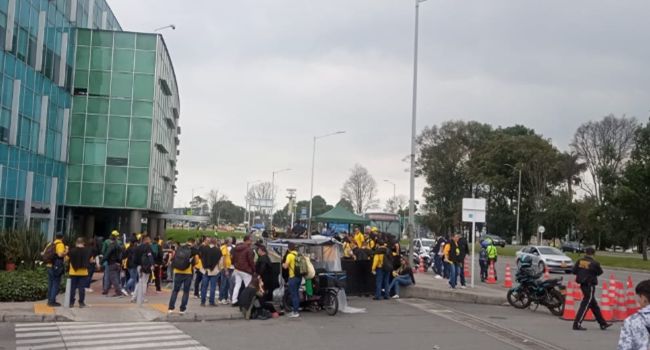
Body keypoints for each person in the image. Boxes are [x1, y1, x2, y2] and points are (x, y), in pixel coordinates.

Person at [572, 247, 612, 331]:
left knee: (594, 305)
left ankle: (602, 323)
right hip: (590, 285)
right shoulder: (595, 263)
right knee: (586, 304)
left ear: (585, 253)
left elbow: (574, 271)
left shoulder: (580, 261)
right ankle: (577, 324)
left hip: (582, 284)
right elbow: (600, 272)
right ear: (593, 254)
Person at [168, 239, 201, 314]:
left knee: (175, 291)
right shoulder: (194, 250)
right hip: (188, 273)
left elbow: (174, 258)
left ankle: (170, 308)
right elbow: (197, 261)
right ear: (193, 243)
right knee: (186, 292)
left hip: (177, 271)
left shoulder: (179, 248)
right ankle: (182, 309)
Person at [618, 279, 650, 350]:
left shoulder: (631, 321)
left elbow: (624, 347)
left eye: (639, 297)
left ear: (644, 298)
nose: (638, 300)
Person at [231, 235, 255, 306]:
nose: (251, 242)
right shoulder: (248, 249)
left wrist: (235, 264)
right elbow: (251, 261)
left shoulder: (236, 248)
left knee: (237, 285)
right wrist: (254, 270)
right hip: (246, 270)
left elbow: (232, 258)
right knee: (248, 286)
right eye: (250, 240)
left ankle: (234, 300)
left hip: (237, 269)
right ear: (247, 240)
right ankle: (247, 302)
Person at [68, 238, 92, 308]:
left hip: (73, 272)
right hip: (83, 272)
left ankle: (71, 303)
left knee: (72, 288)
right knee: (81, 288)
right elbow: (91, 260)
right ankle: (81, 303)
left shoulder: (71, 251)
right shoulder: (88, 251)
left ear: (76, 243)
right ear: (83, 243)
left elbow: (66, 259)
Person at [44, 233, 67, 307]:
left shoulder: (50, 244)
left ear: (55, 237)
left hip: (49, 265)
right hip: (56, 266)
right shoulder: (60, 244)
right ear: (62, 237)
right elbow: (60, 255)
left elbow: (43, 253)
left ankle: (49, 299)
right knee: (56, 283)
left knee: (50, 283)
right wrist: (66, 252)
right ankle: (52, 301)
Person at [102, 231, 127, 297]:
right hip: (118, 263)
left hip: (111, 263)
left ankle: (118, 292)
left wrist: (101, 261)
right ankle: (107, 290)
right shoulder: (120, 244)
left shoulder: (110, 244)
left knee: (111, 277)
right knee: (114, 277)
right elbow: (124, 253)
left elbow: (106, 253)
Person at [199, 238, 222, 307]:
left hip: (205, 269)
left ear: (209, 242)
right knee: (213, 287)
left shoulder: (204, 248)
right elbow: (220, 261)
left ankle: (203, 302)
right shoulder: (218, 250)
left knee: (204, 287)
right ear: (215, 243)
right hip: (214, 270)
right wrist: (219, 269)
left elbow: (201, 257)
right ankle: (211, 302)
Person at [283, 242, 301, 318]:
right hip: (299, 277)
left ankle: (295, 312)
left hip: (292, 277)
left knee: (294, 295)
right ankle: (296, 309)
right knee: (296, 294)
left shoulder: (289, 255)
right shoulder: (298, 254)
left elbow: (286, 267)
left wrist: (283, 264)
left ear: (288, 248)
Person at [218, 238, 232, 304]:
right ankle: (221, 298)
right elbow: (223, 259)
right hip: (225, 268)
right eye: (230, 242)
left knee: (226, 284)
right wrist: (226, 269)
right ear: (228, 242)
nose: (231, 243)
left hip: (226, 267)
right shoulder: (224, 248)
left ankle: (225, 298)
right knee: (224, 284)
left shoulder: (225, 247)